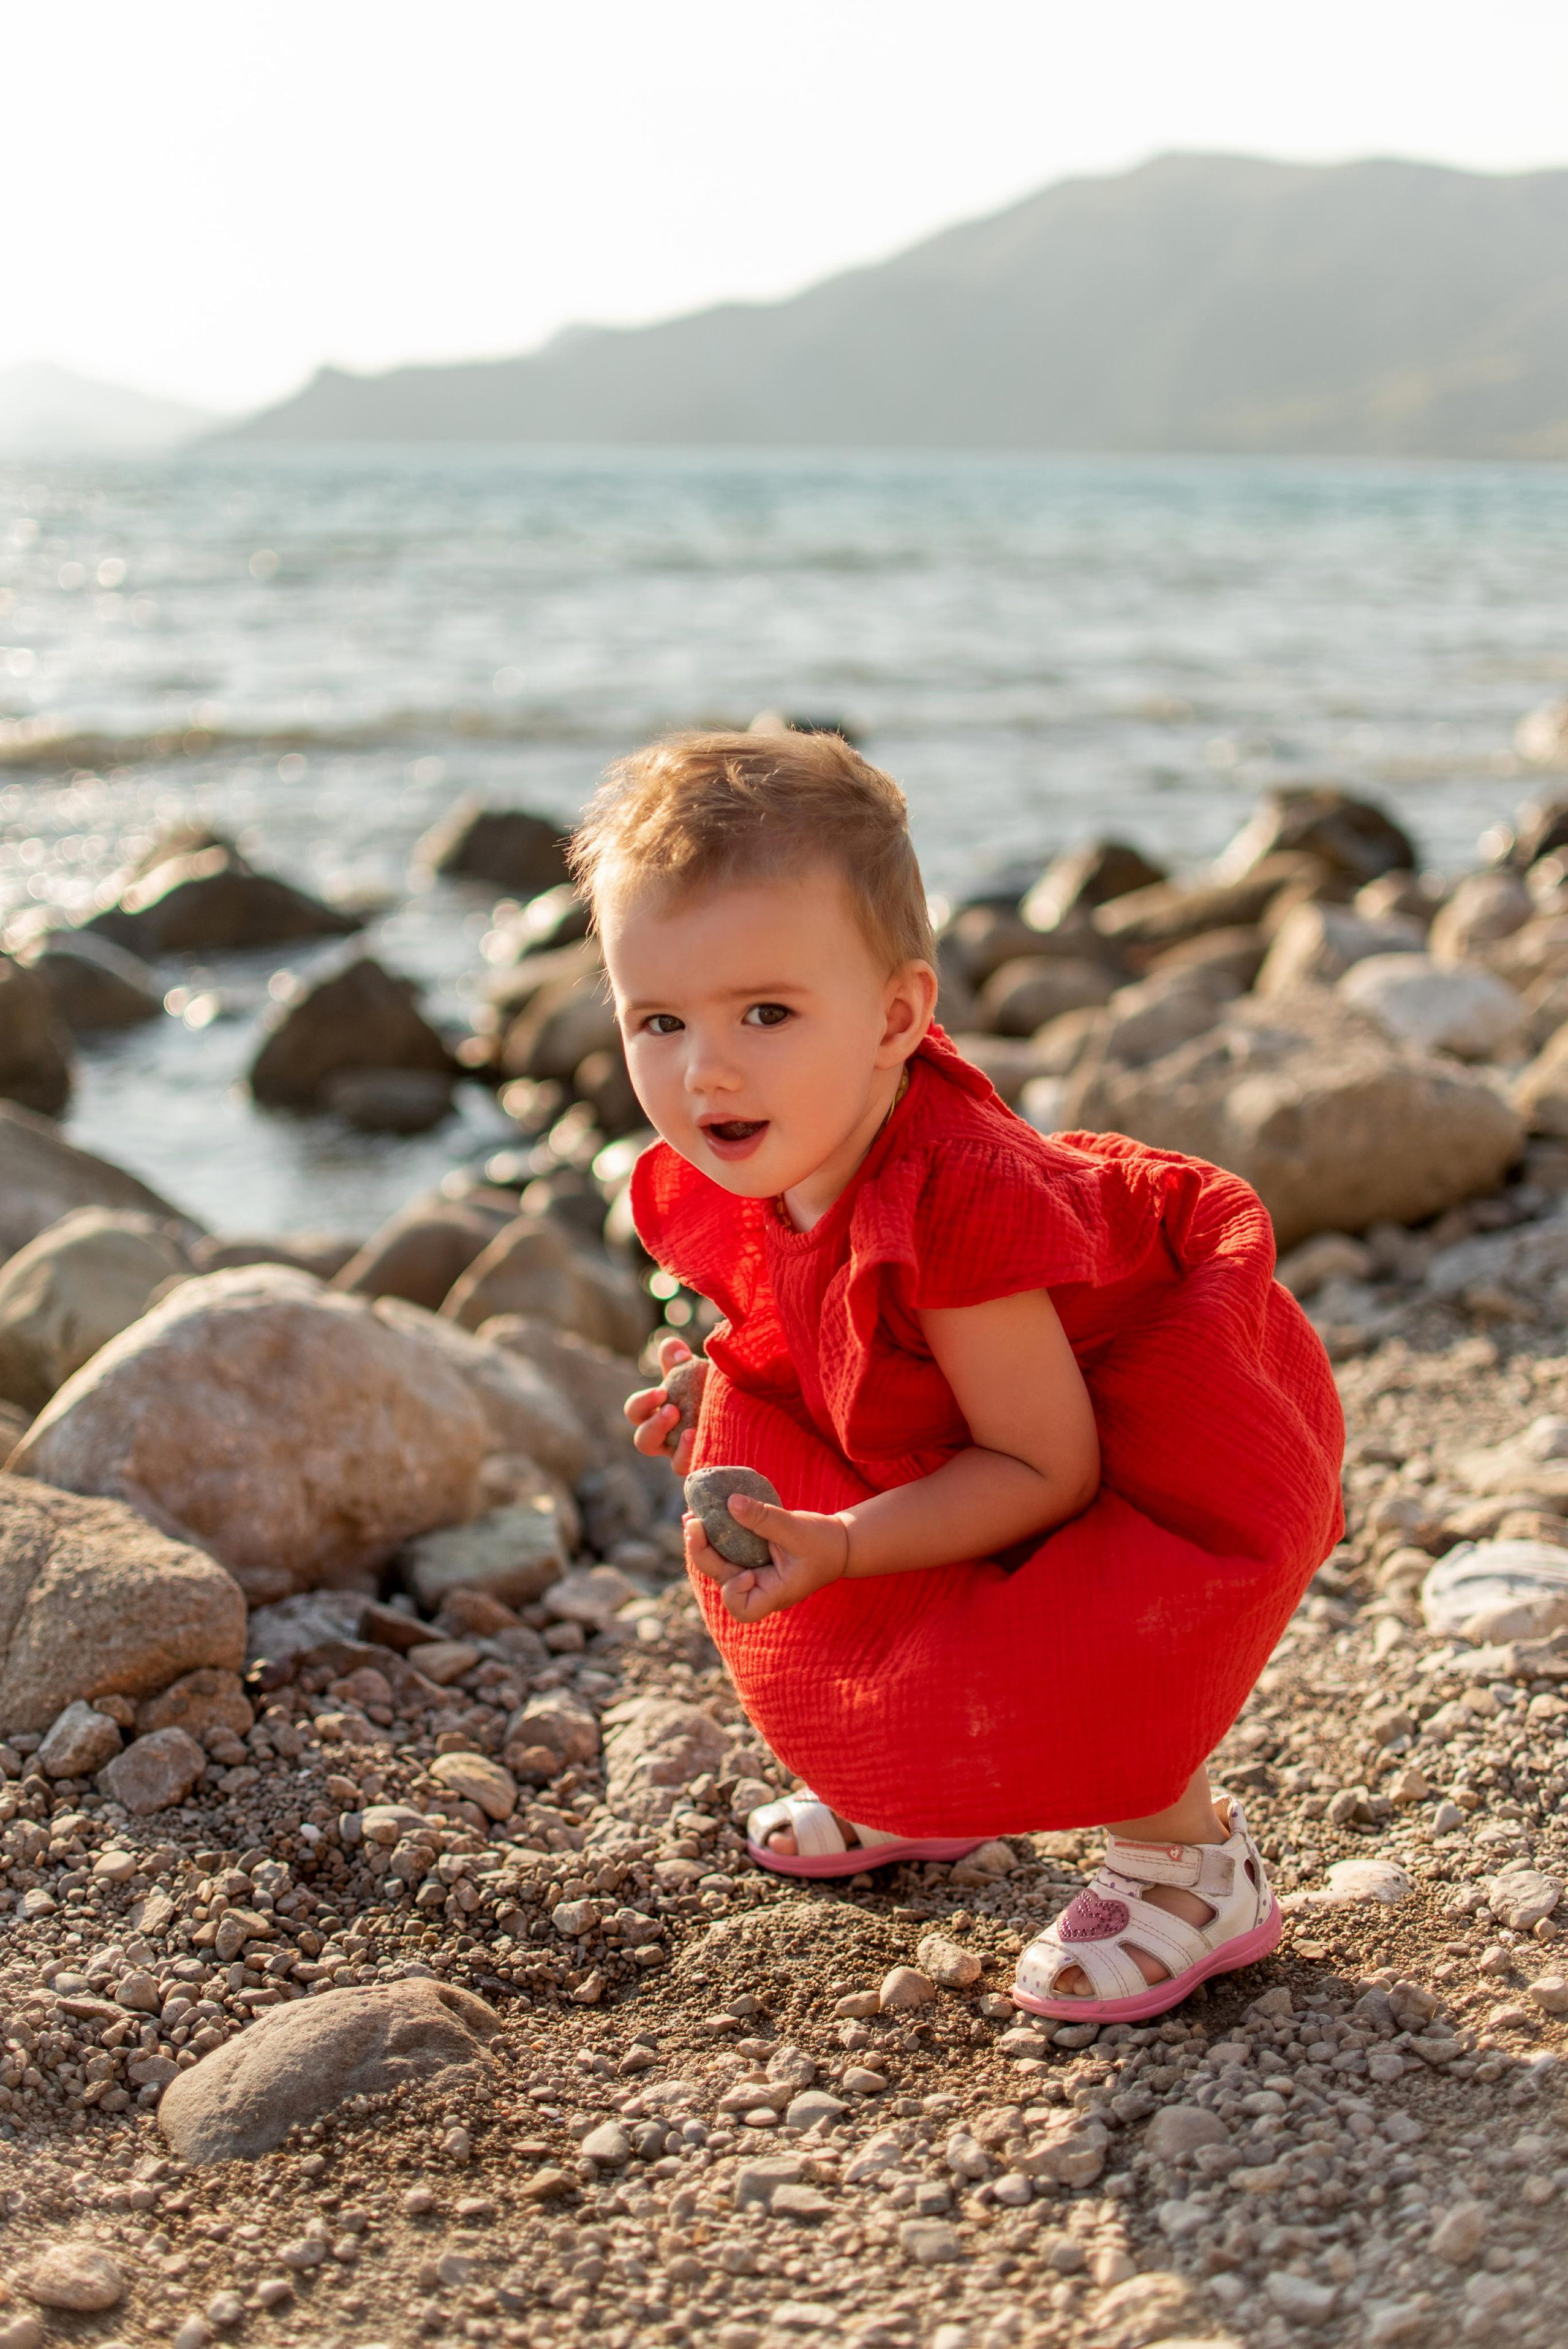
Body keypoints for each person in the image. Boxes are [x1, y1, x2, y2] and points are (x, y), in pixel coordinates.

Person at [570, 730, 1343, 2022]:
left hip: (1136, 1463)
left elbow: (1046, 1469)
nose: (705, 1069)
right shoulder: (787, 1137)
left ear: (895, 1015)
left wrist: (838, 1541)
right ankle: (923, 1784)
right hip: (968, 1427)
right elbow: (837, 1351)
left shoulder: (955, 1211)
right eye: (659, 1019)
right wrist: (722, 1398)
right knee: (767, 1426)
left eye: (764, 1011)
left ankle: (1190, 1862)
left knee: (1081, 1645)